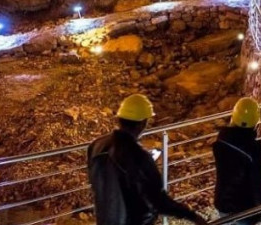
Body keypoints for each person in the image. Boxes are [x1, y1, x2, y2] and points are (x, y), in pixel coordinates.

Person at [87, 94, 207, 225]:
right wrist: (191, 215)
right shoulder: (139, 156)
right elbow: (159, 200)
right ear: (142, 123)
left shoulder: (96, 146)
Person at [214, 97, 261, 225]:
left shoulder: (222, 141)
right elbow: (259, 186)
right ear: (256, 122)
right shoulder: (255, 151)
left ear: (233, 116)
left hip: (223, 203)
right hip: (245, 210)